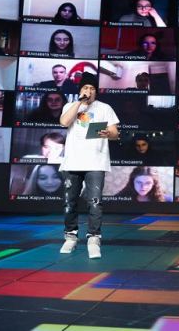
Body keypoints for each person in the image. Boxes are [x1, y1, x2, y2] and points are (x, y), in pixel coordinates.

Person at [58, 73, 120, 258]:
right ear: (80, 90)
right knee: (70, 202)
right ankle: (70, 236)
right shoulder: (70, 105)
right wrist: (79, 103)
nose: (89, 91)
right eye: (85, 88)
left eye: (92, 88)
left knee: (95, 202)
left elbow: (115, 133)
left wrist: (107, 133)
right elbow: (64, 122)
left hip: (96, 161)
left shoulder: (105, 108)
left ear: (96, 91)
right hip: (72, 161)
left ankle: (94, 238)